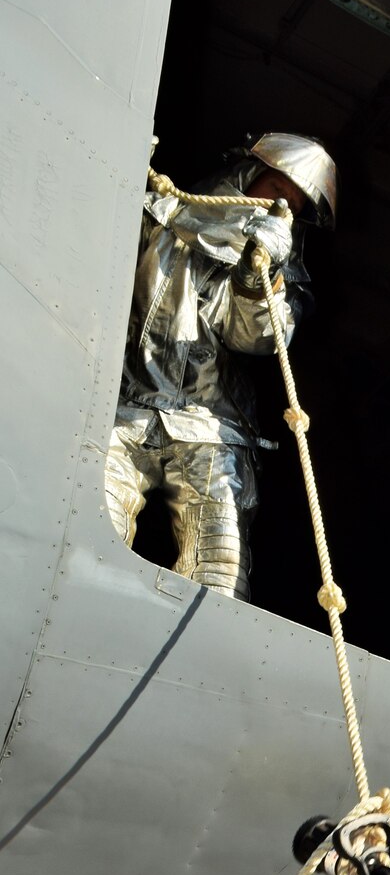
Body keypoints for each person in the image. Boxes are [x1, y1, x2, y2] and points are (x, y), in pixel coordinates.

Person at [105, 132, 337, 600]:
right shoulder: (159, 212)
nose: (279, 208)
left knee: (220, 572)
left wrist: (258, 281)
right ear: (248, 175)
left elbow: (255, 337)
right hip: (122, 405)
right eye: (276, 191)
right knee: (82, 519)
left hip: (211, 428)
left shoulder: (280, 276)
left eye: (292, 206)